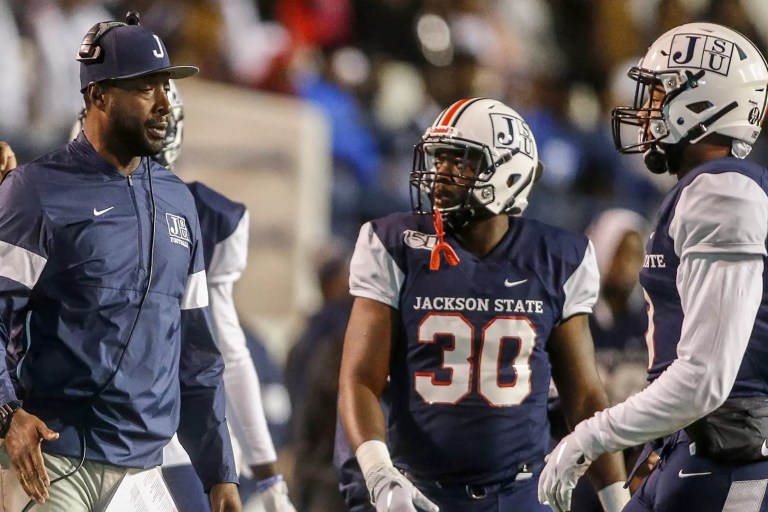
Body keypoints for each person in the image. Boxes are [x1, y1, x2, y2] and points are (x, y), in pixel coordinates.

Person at [338, 97, 630, 512]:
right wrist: (379, 475)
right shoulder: (394, 244)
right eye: (439, 159)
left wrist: (617, 501)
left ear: (509, 172)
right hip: (417, 491)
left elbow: (582, 396)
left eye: (461, 161)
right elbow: (361, 377)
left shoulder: (557, 256)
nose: (441, 173)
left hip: (521, 493)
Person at [0, 13, 241, 511]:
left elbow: (196, 352)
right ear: (98, 96)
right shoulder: (34, 192)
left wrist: (220, 473)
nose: (163, 103)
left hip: (143, 471)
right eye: (145, 87)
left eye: (166, 87)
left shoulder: (179, 202)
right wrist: (6, 413)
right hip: (52, 461)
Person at [538, 22, 768, 512]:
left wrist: (591, 436)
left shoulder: (722, 193)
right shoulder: (707, 188)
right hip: (699, 451)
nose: (644, 110)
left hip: (729, 459)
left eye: (658, 92)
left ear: (703, 102)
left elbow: (706, 377)